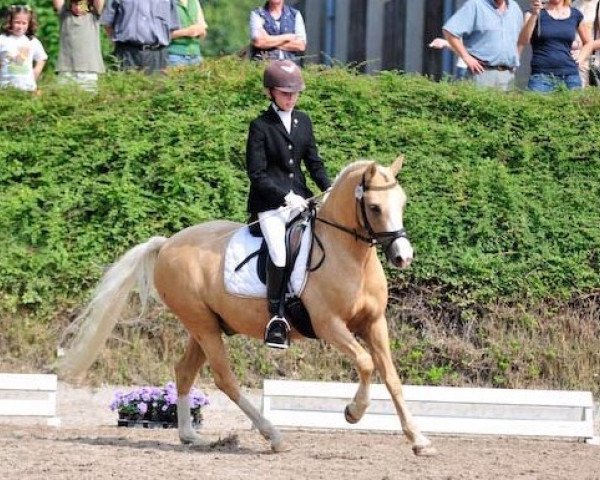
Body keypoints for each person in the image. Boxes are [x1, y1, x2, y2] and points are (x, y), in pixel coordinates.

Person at [246, 60, 331, 349]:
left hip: (301, 200)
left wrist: (328, 188)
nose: (291, 98)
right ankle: (277, 319)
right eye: (285, 93)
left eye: (294, 93)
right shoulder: (260, 126)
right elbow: (256, 174)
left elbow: (313, 162)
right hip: (271, 205)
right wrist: (284, 196)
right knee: (280, 254)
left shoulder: (303, 121)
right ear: (270, 92)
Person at [442, 0, 523, 91]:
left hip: (507, 75)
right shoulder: (476, 5)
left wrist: (515, 59)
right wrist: (466, 57)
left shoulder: (514, 8)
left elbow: (518, 39)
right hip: (481, 73)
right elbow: (449, 31)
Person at [519, 0, 590, 91]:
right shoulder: (532, 13)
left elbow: (588, 42)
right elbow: (524, 40)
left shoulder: (575, 14)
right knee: (537, 104)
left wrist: (580, 58)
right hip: (541, 77)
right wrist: (534, 15)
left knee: (574, 105)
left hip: (570, 76)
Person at [100, 0, 180, 74]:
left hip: (158, 56)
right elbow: (107, 23)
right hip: (127, 53)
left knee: (158, 88)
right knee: (125, 87)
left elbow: (172, 27)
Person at [53, 0, 106, 92]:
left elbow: (99, 3)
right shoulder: (65, 15)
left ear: (88, 3)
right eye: (75, 4)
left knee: (88, 101)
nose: (78, 8)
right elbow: (58, 2)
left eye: (81, 4)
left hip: (88, 70)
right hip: (66, 69)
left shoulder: (93, 16)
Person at [0, 4, 47, 92]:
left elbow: (42, 58)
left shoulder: (32, 41)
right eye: (17, 22)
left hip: (27, 88)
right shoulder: (2, 39)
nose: (20, 26)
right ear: (10, 21)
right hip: (5, 88)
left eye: (24, 23)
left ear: (29, 24)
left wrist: (35, 72)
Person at [168, 0, 207, 67]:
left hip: (196, 57)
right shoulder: (165, 2)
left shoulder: (194, 2)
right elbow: (161, 35)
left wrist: (200, 31)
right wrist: (186, 32)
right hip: (174, 56)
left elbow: (203, 33)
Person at [572, 0, 600, 85]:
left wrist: (584, 50)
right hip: (574, 59)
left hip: (594, 60)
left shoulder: (597, 5)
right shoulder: (574, 4)